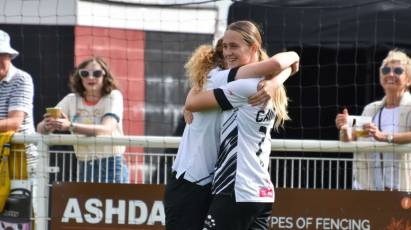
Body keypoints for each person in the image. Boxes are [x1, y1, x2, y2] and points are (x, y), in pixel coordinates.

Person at [184, 21, 300, 230]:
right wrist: (277, 80)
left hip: (235, 189)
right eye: (225, 47)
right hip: (261, 192)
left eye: (234, 46)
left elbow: (193, 103)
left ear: (254, 47)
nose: (227, 52)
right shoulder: (270, 85)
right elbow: (290, 63)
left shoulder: (243, 87)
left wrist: (191, 99)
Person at [37, 57, 129, 183]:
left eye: (96, 73)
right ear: (79, 77)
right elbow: (40, 128)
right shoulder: (71, 99)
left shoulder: (113, 96)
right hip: (84, 164)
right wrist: (48, 125)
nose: (91, 78)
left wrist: (70, 126)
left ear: (105, 76)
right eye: (85, 74)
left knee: (114, 203)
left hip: (112, 163)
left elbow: (106, 129)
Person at [335, 49, 411, 191]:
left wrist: (383, 136)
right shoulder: (371, 109)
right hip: (371, 189)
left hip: (403, 189)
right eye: (386, 70)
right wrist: (345, 130)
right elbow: (354, 137)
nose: (391, 74)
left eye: (398, 71)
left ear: (408, 80)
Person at [0, 30, 37, 175]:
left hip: (21, 162)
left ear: (9, 56)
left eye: (0, 54)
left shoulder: (21, 79)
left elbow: (14, 123)